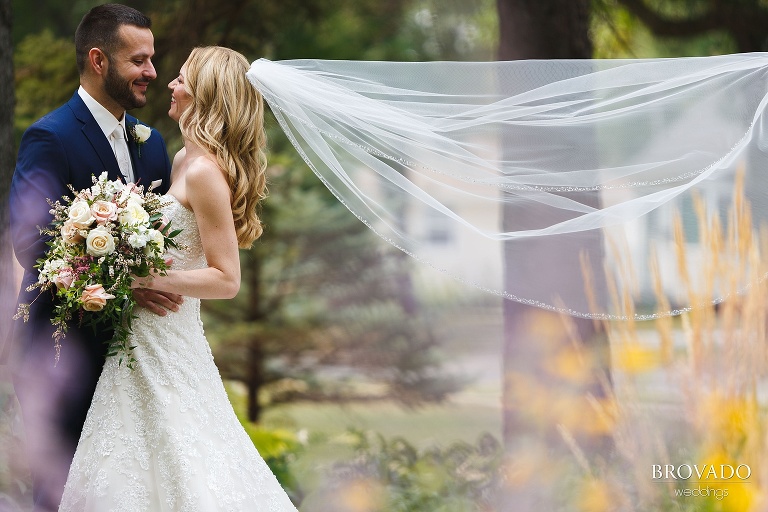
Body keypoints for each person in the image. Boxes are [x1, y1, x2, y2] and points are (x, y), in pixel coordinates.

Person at [57, 46, 299, 511]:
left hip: (169, 338)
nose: (170, 83)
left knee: (188, 455)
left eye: (183, 79)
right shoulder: (183, 159)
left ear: (205, 94)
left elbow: (227, 279)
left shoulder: (206, 171)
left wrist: (152, 277)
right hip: (143, 334)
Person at [8, 4, 177, 510]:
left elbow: (164, 241)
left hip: (140, 353)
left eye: (152, 59)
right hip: (63, 350)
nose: (152, 72)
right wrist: (123, 278)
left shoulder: (152, 145)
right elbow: (28, 240)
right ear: (100, 60)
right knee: (64, 492)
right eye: (139, 60)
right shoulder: (50, 136)